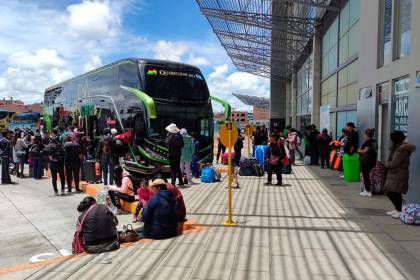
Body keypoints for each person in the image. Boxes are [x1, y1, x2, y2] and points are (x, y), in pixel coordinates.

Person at [384, 131, 416, 219]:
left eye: (392, 138)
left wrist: (386, 164)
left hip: (398, 173)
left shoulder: (401, 149)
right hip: (395, 173)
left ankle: (399, 210)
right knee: (391, 191)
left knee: (393, 192)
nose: (391, 140)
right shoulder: (397, 147)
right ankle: (397, 209)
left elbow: (395, 162)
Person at [358, 128, 377, 197]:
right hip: (371, 160)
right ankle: (367, 190)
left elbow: (365, 151)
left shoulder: (368, 142)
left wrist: (359, 150)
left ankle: (368, 191)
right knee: (367, 176)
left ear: (366, 135)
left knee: (366, 176)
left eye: (364, 134)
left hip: (366, 161)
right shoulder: (373, 141)